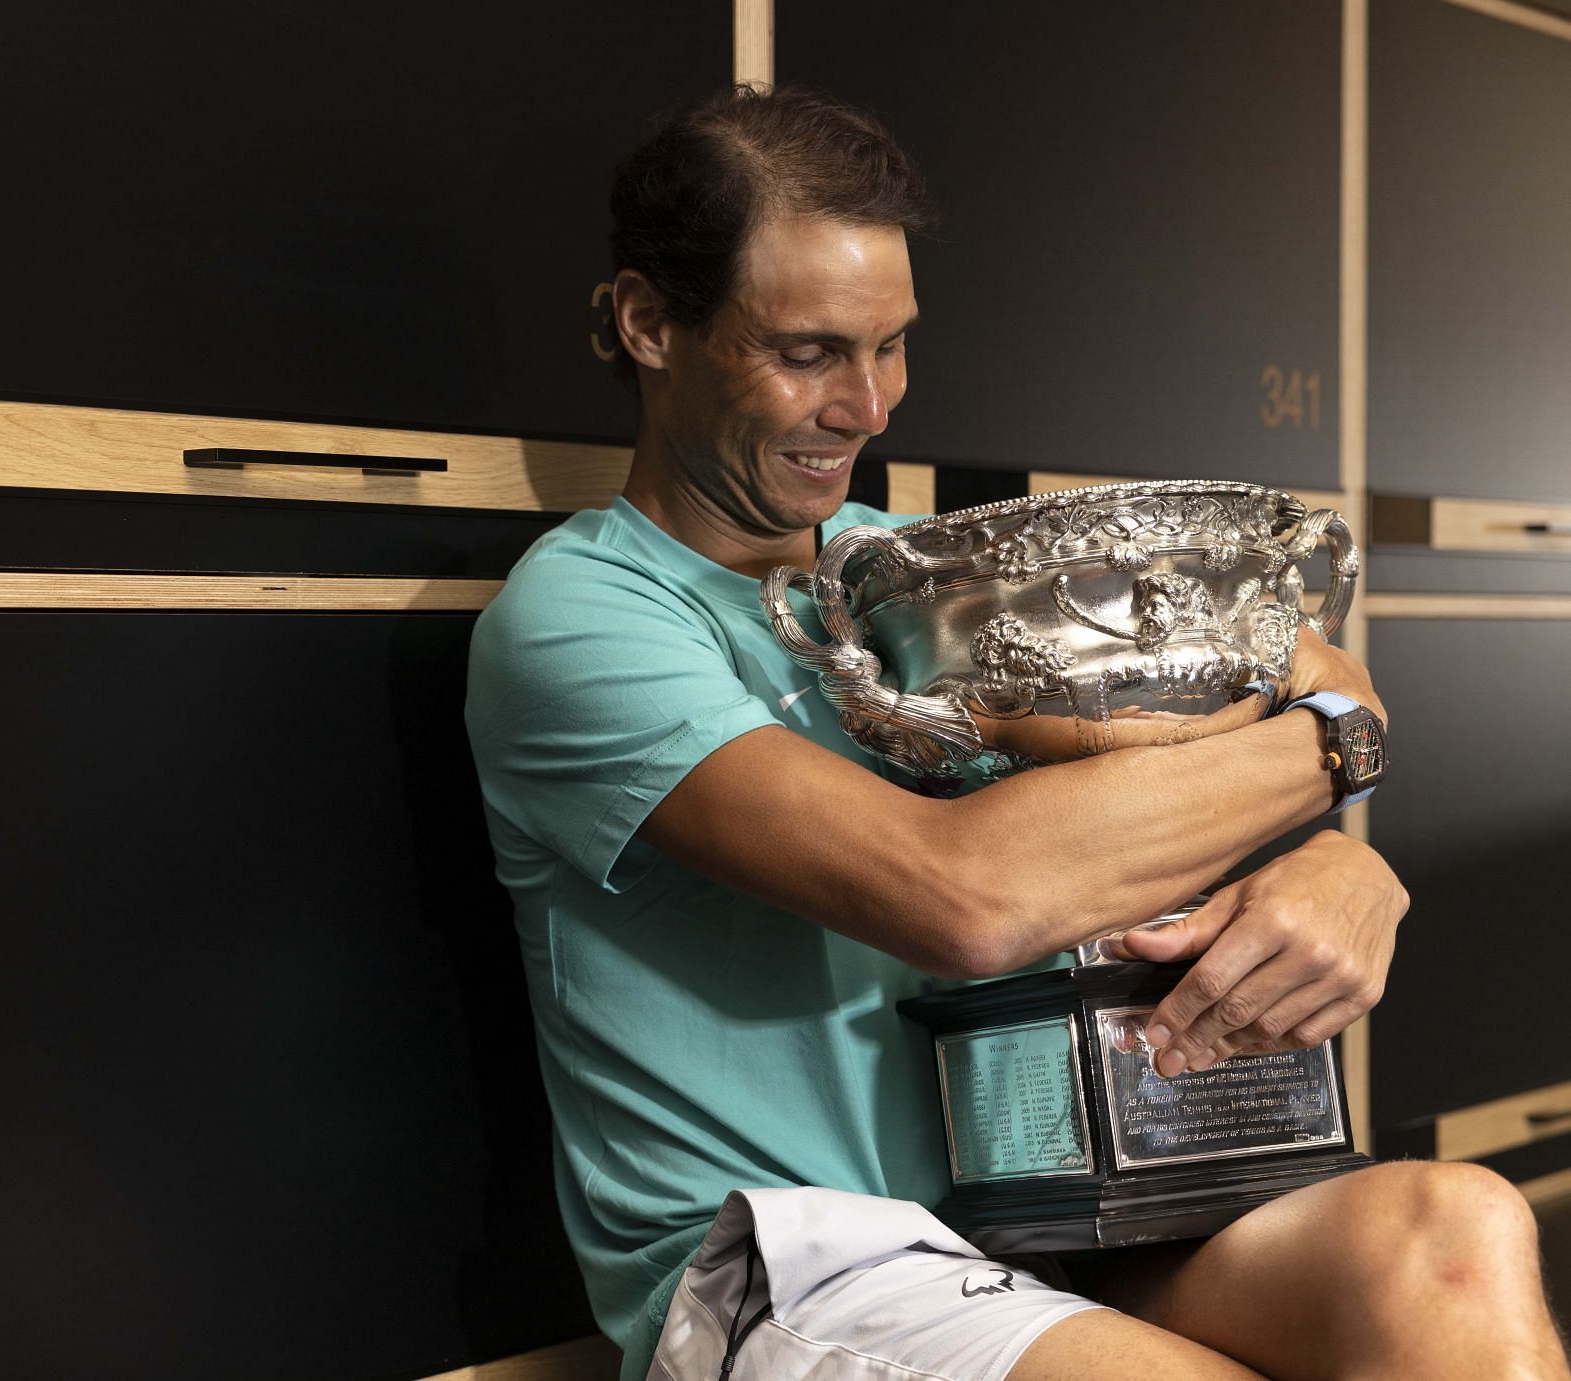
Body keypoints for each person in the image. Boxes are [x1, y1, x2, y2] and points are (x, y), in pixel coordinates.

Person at [465, 84, 1568, 1381]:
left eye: (893, 345)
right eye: (811, 350)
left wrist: (1332, 863)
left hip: (1044, 1205)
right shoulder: (583, 616)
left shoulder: (902, 567)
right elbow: (968, 897)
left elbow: (1299, 673)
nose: (871, 405)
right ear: (653, 324)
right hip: (809, 1260)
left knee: (1460, 1230)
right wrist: (1329, 758)